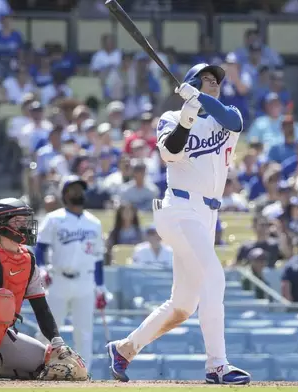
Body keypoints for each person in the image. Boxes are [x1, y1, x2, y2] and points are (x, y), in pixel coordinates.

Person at [106, 63, 251, 384]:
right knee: (214, 277)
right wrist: (187, 114)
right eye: (206, 80)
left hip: (208, 216)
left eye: (216, 81)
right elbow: (171, 153)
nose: (213, 84)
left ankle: (125, 348)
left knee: (184, 304)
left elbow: (233, 120)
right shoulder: (170, 119)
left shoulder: (225, 115)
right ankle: (217, 365)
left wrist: (199, 98)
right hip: (178, 208)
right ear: (189, 85)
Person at [0, 197, 86, 381]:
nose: (25, 225)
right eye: (18, 220)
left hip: (0, 334)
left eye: (25, 220)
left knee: (49, 366)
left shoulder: (28, 259)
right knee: (0, 298)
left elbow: (41, 307)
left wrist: (56, 341)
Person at [34, 176, 107, 373]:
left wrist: (100, 287)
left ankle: (84, 374)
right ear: (65, 194)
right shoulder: (54, 218)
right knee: (48, 330)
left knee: (84, 333)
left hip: (85, 281)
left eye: (81, 190)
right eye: (74, 190)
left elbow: (98, 258)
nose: (78, 194)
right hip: (58, 280)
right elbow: (40, 248)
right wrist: (41, 268)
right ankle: (35, 368)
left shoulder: (94, 222)